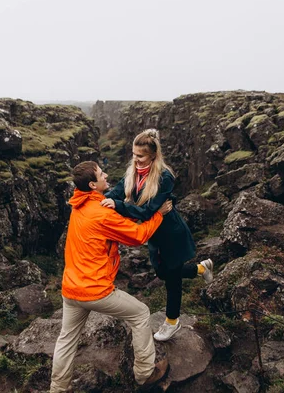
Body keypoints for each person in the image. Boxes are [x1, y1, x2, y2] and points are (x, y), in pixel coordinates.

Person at [50, 161, 172, 393]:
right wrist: (158, 214)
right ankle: (145, 374)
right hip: (94, 289)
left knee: (66, 339)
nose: (106, 175)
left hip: (71, 289)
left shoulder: (79, 204)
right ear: (93, 184)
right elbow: (137, 235)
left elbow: (113, 215)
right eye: (101, 174)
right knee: (140, 313)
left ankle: (58, 388)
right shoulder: (100, 213)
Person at [101, 129, 213, 342]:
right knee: (162, 272)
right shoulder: (133, 172)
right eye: (133, 155)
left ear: (153, 155)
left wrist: (118, 205)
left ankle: (172, 321)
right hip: (153, 232)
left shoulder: (164, 176)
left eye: (140, 156)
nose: (136, 160)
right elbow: (116, 191)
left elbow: (147, 211)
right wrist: (99, 202)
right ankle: (201, 268)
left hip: (170, 232)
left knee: (171, 278)